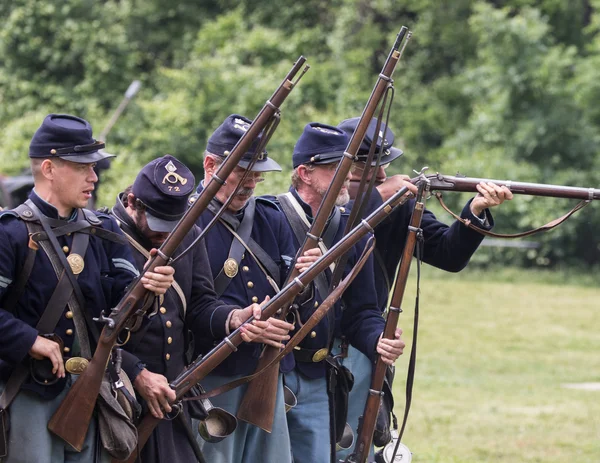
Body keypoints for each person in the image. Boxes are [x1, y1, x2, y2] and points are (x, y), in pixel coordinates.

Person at [335, 116, 514, 461]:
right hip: (308, 347)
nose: (384, 175)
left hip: (366, 340)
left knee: (355, 445)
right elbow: (335, 231)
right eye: (370, 167)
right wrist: (379, 198)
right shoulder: (322, 204)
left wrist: (475, 210)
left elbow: (448, 254)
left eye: (384, 166)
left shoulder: (396, 205)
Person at [0, 114, 174, 463]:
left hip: (93, 392)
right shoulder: (11, 233)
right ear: (49, 169)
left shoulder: (103, 232)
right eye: (82, 167)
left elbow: (123, 313)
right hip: (29, 393)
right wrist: (29, 340)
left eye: (93, 168)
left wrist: (148, 291)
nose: (93, 177)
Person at [108, 154, 271, 462]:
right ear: (133, 202)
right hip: (121, 393)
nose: (168, 235)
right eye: (159, 225)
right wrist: (135, 372)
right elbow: (93, 327)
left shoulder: (189, 233)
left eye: (173, 225)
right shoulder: (106, 235)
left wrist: (235, 317)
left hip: (172, 392)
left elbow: (200, 304)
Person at [275, 122, 406, 463]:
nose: (347, 175)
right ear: (304, 172)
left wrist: (378, 338)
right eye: (336, 168)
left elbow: (361, 311)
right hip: (272, 372)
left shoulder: (354, 230)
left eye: (348, 167)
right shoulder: (268, 218)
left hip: (321, 376)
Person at [192, 114, 319, 463]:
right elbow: (184, 306)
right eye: (241, 173)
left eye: (256, 174)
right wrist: (235, 321)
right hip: (211, 373)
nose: (251, 183)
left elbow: (295, 296)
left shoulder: (269, 217)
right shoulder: (186, 222)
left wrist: (306, 281)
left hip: (266, 368)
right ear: (210, 165)